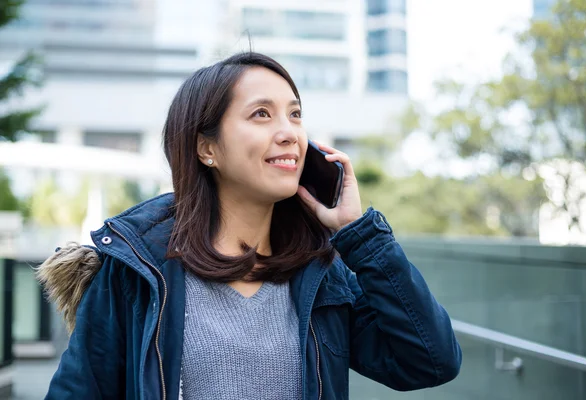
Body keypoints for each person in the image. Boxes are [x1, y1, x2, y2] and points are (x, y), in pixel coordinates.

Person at [37, 52, 462, 400]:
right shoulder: (137, 269)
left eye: (295, 115)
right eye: (262, 114)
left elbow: (430, 361)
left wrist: (359, 234)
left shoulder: (323, 276)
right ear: (207, 148)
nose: (289, 133)